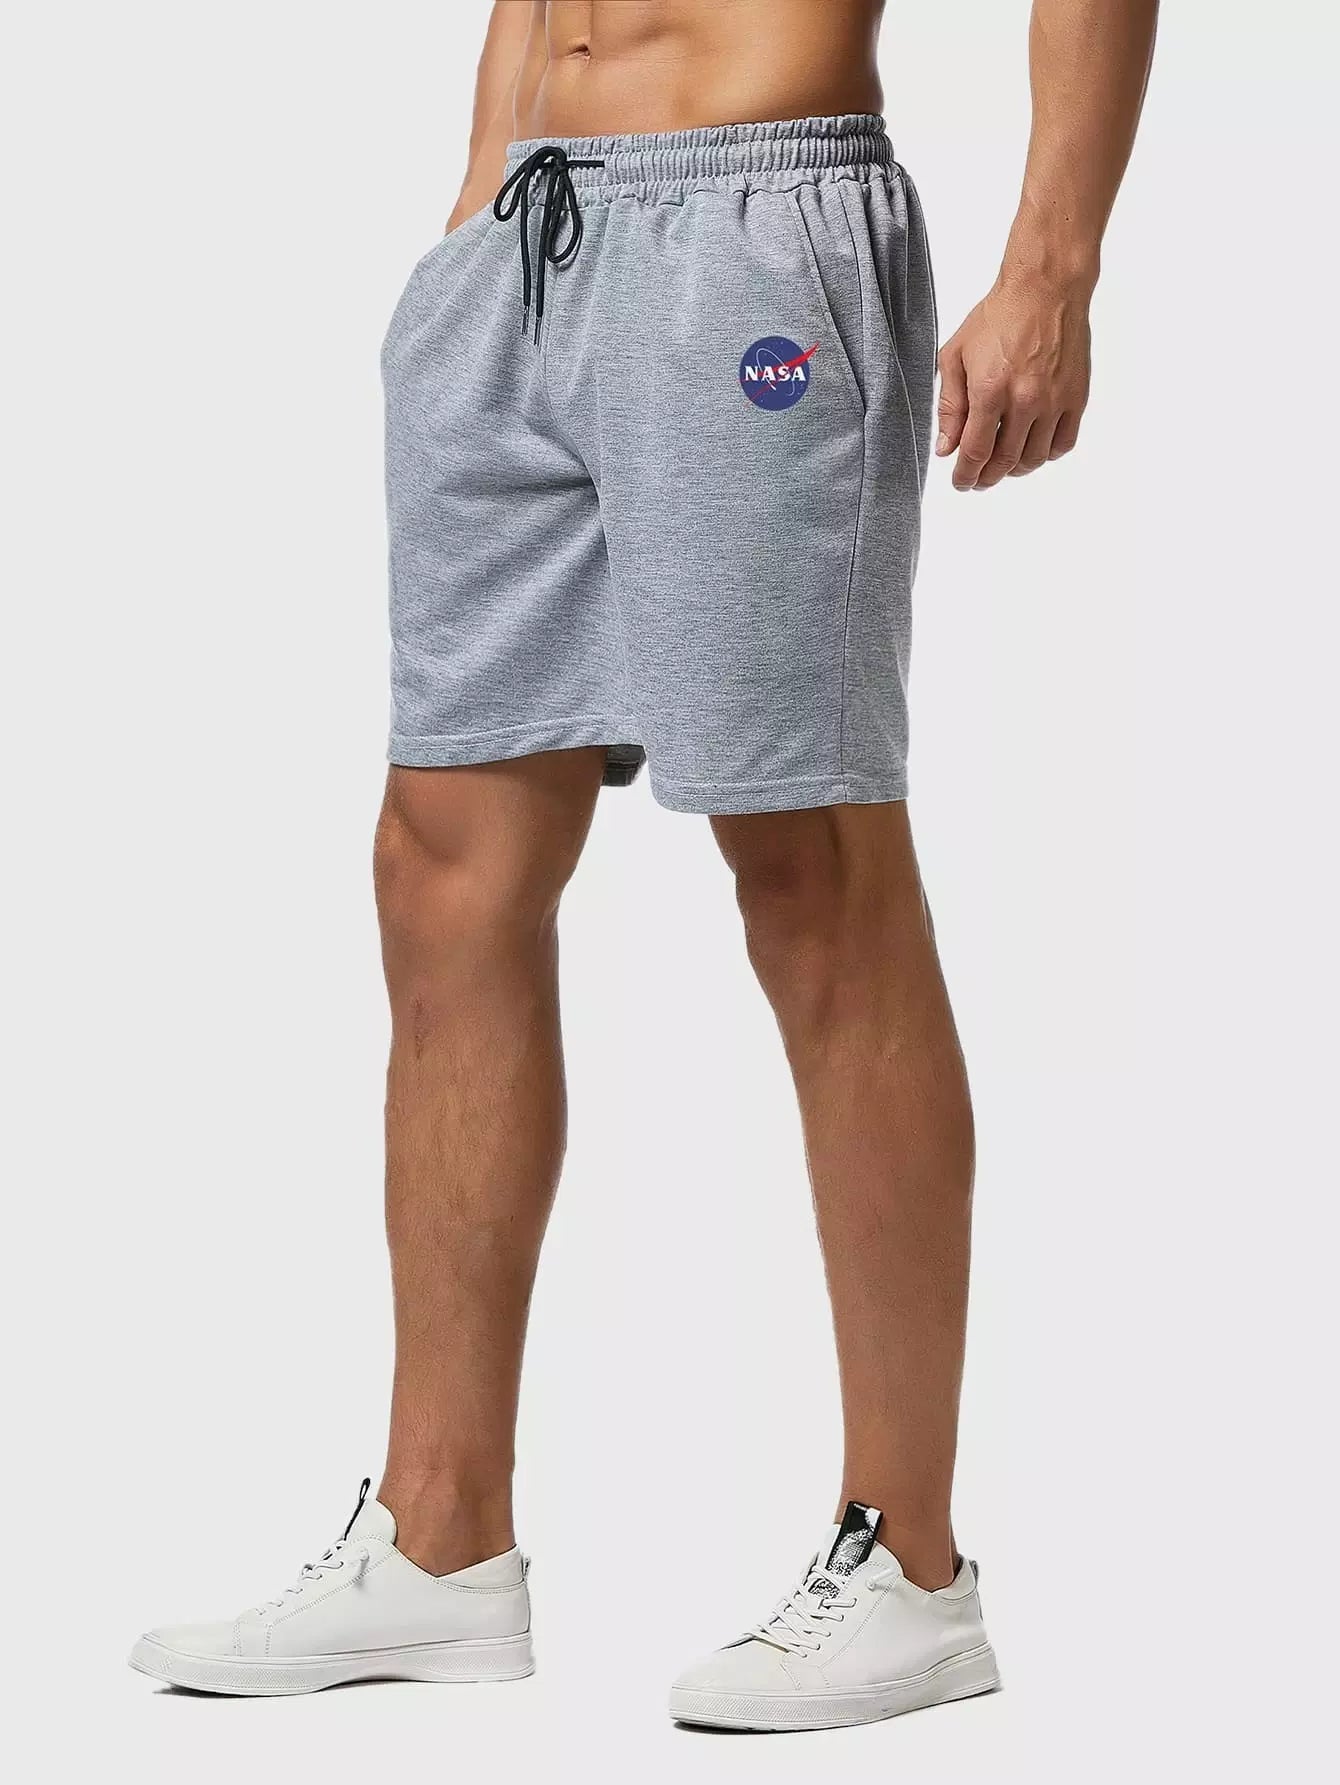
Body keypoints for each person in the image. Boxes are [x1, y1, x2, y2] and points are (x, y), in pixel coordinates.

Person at [130, 0, 1157, 1730]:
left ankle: (910, 1569)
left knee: (811, 869)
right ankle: (440, 1540)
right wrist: (479, 203)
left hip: (756, 224)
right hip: (526, 237)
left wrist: (1053, 262)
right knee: (440, 861)